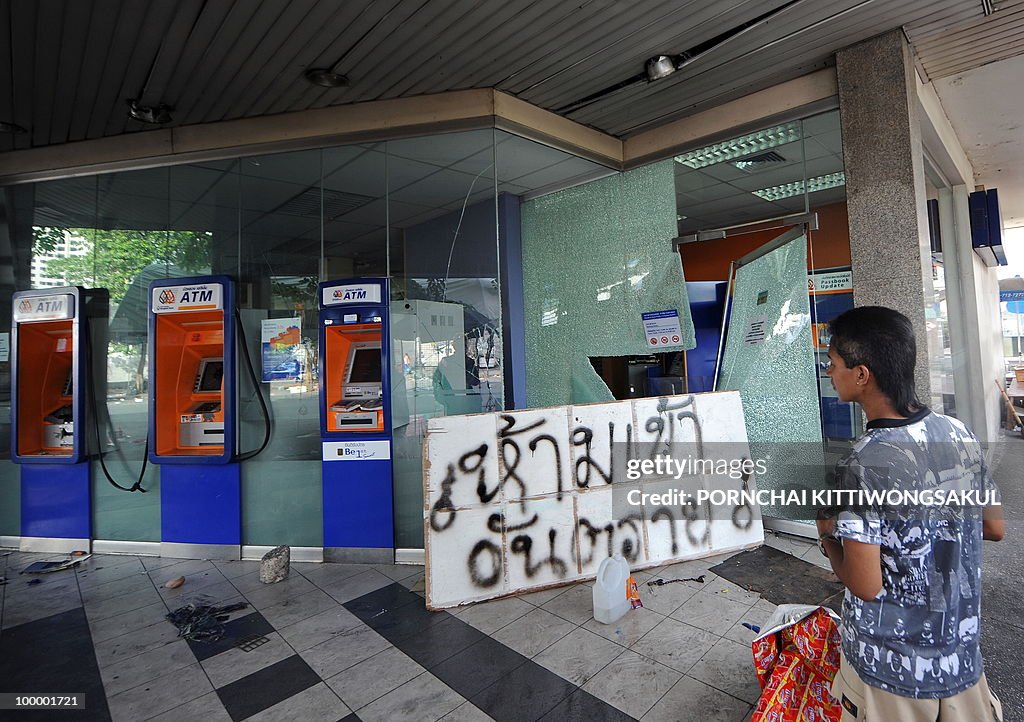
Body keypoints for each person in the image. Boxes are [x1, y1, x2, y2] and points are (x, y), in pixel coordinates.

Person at [816, 306, 1005, 721]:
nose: (829, 373)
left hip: (891, 671)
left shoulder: (861, 464)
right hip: (960, 659)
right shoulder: (958, 432)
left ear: (862, 374)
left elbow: (866, 585)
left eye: (832, 364)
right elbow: (994, 527)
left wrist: (828, 537)